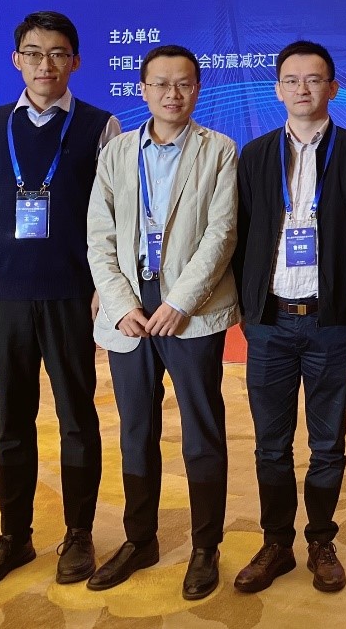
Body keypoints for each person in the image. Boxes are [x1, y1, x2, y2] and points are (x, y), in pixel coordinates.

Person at [0, 10, 119, 591]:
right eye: (33, 52)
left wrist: (106, 287)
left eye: (57, 53)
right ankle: (14, 536)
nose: (44, 64)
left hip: (71, 294)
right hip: (4, 293)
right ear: (16, 60)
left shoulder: (101, 125)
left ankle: (79, 535)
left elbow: (112, 216)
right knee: (10, 421)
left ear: (75, 61)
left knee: (77, 418)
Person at [85, 44, 239, 601]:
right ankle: (140, 540)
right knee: (135, 431)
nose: (173, 94)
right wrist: (121, 303)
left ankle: (205, 547)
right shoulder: (117, 151)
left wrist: (180, 301)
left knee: (202, 431)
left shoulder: (219, 150)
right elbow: (99, 234)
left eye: (184, 84)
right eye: (161, 84)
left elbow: (221, 234)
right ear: (143, 90)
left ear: (197, 89)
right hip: (129, 313)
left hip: (190, 312)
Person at [231, 41, 346, 594]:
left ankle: (320, 541)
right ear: (277, 90)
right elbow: (240, 236)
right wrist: (248, 310)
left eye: (314, 79)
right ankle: (276, 543)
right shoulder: (255, 155)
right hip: (270, 324)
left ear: (333, 88)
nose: (302, 88)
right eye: (291, 80)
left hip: (330, 323)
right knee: (270, 445)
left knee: (327, 444)